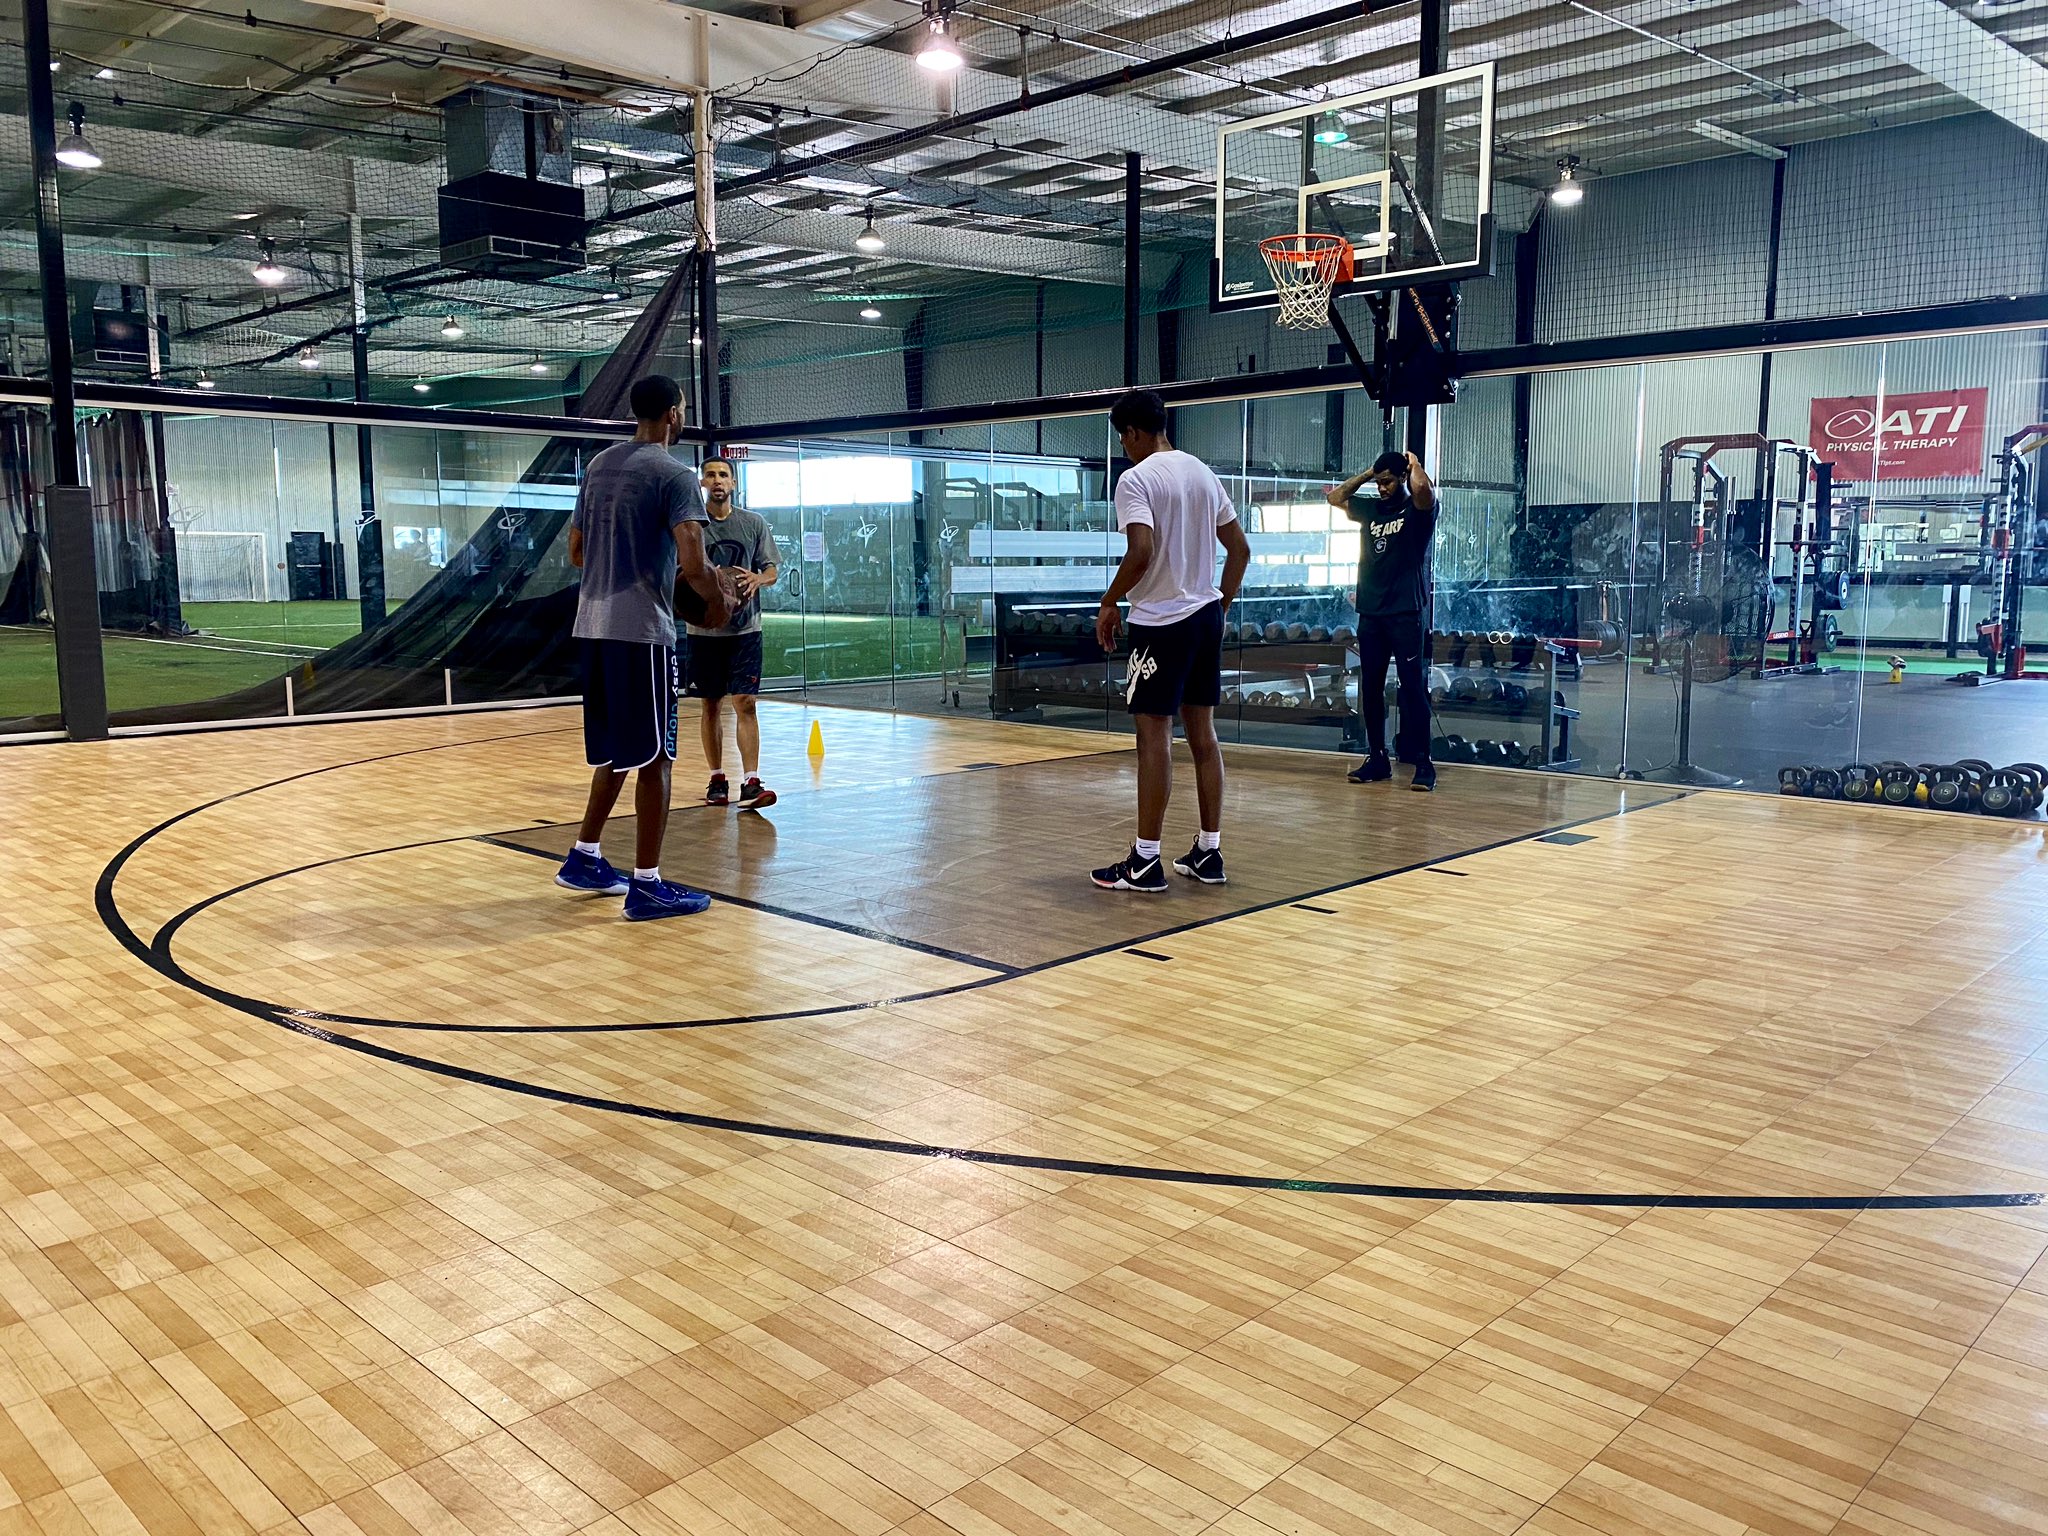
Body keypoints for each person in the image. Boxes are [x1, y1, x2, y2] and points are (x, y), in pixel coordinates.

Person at [555, 375, 732, 920]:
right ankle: (648, 886)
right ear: (674, 414)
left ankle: (585, 856)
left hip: (592, 628)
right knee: (657, 757)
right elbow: (694, 563)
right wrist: (720, 599)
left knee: (617, 751)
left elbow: (577, 552)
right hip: (641, 633)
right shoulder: (675, 475)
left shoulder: (599, 466)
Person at [1092, 389, 1252, 892]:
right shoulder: (1203, 472)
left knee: (1153, 736)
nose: (1124, 448)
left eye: (1123, 439)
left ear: (1134, 433)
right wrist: (1220, 605)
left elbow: (1141, 551)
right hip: (1204, 617)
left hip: (1162, 622)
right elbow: (1240, 550)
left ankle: (1145, 862)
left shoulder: (1136, 479)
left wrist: (1109, 600)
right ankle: (1209, 852)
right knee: (1203, 735)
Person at [1330, 449, 1438, 792]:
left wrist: (1414, 464)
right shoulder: (1371, 509)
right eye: (1379, 483)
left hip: (1405, 613)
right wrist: (1368, 474)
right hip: (1372, 614)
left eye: (1388, 481)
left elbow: (1424, 490)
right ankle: (1378, 758)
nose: (1382, 488)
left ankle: (1423, 762)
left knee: (1412, 688)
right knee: (1371, 689)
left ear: (1403, 477)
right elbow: (1335, 497)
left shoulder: (1418, 510)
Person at [686, 455, 781, 811]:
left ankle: (751, 781)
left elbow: (771, 569)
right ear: (702, 483)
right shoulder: (691, 525)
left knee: (746, 702)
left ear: (733, 483)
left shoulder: (752, 523)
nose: (717, 480)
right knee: (711, 704)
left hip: (745, 630)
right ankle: (717, 778)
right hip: (703, 631)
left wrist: (759, 578)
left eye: (723, 475)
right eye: (710, 475)